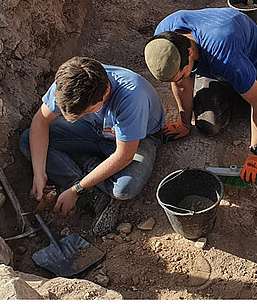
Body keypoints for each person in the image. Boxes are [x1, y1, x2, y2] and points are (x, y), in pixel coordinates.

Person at [20, 56, 165, 236]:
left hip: (138, 139)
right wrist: (39, 173)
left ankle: (85, 174)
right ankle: (93, 189)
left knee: (125, 188)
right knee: (28, 140)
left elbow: (124, 156)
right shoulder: (69, 81)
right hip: (93, 129)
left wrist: (77, 189)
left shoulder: (131, 97)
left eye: (86, 111)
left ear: (105, 93)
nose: (82, 113)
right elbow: (40, 121)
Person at [143, 8, 257, 184]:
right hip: (215, 66)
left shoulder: (224, 56)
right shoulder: (163, 40)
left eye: (182, 76)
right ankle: (238, 87)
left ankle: (251, 82)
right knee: (207, 126)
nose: (181, 81)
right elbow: (180, 84)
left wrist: (256, 153)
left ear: (190, 53)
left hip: (252, 58)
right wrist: (184, 123)